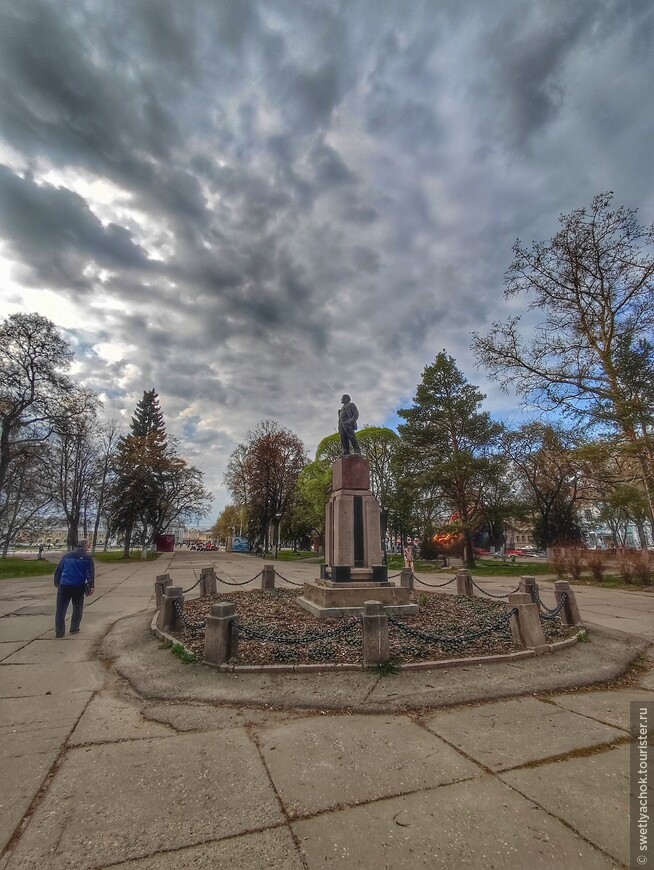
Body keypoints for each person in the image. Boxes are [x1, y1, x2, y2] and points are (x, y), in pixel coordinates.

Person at [54, 539, 95, 637]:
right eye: (88, 545)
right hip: (78, 586)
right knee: (77, 607)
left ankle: (59, 632)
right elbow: (90, 573)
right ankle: (74, 627)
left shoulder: (67, 556)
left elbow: (59, 569)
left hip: (64, 586)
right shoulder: (87, 558)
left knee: (61, 609)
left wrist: (57, 582)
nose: (89, 547)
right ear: (85, 546)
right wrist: (91, 586)